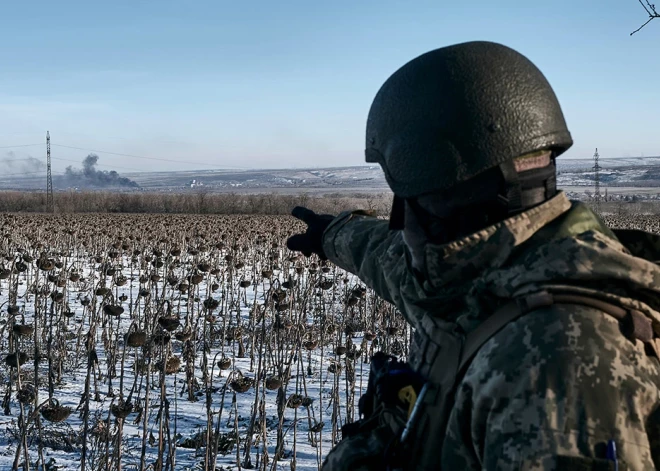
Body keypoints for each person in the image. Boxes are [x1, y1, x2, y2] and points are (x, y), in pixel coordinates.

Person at [286, 41, 660, 470]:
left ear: (439, 190)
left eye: (405, 194)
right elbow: (387, 258)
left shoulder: (556, 361)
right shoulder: (480, 276)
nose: (400, 218)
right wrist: (331, 234)